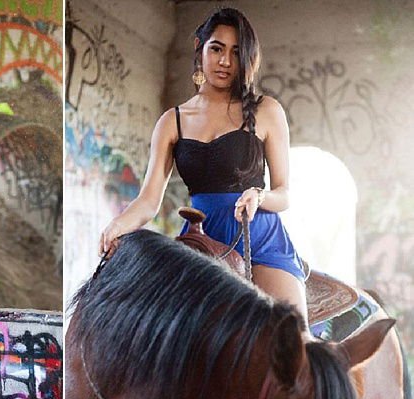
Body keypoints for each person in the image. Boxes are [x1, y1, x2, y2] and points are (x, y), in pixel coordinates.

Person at [99, 7, 308, 321]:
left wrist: (259, 196)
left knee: (293, 341)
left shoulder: (267, 111)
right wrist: (117, 226)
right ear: (199, 47)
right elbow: (148, 200)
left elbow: (285, 193)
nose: (225, 61)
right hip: (199, 241)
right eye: (217, 49)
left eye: (236, 52)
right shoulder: (173, 121)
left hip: (259, 239)